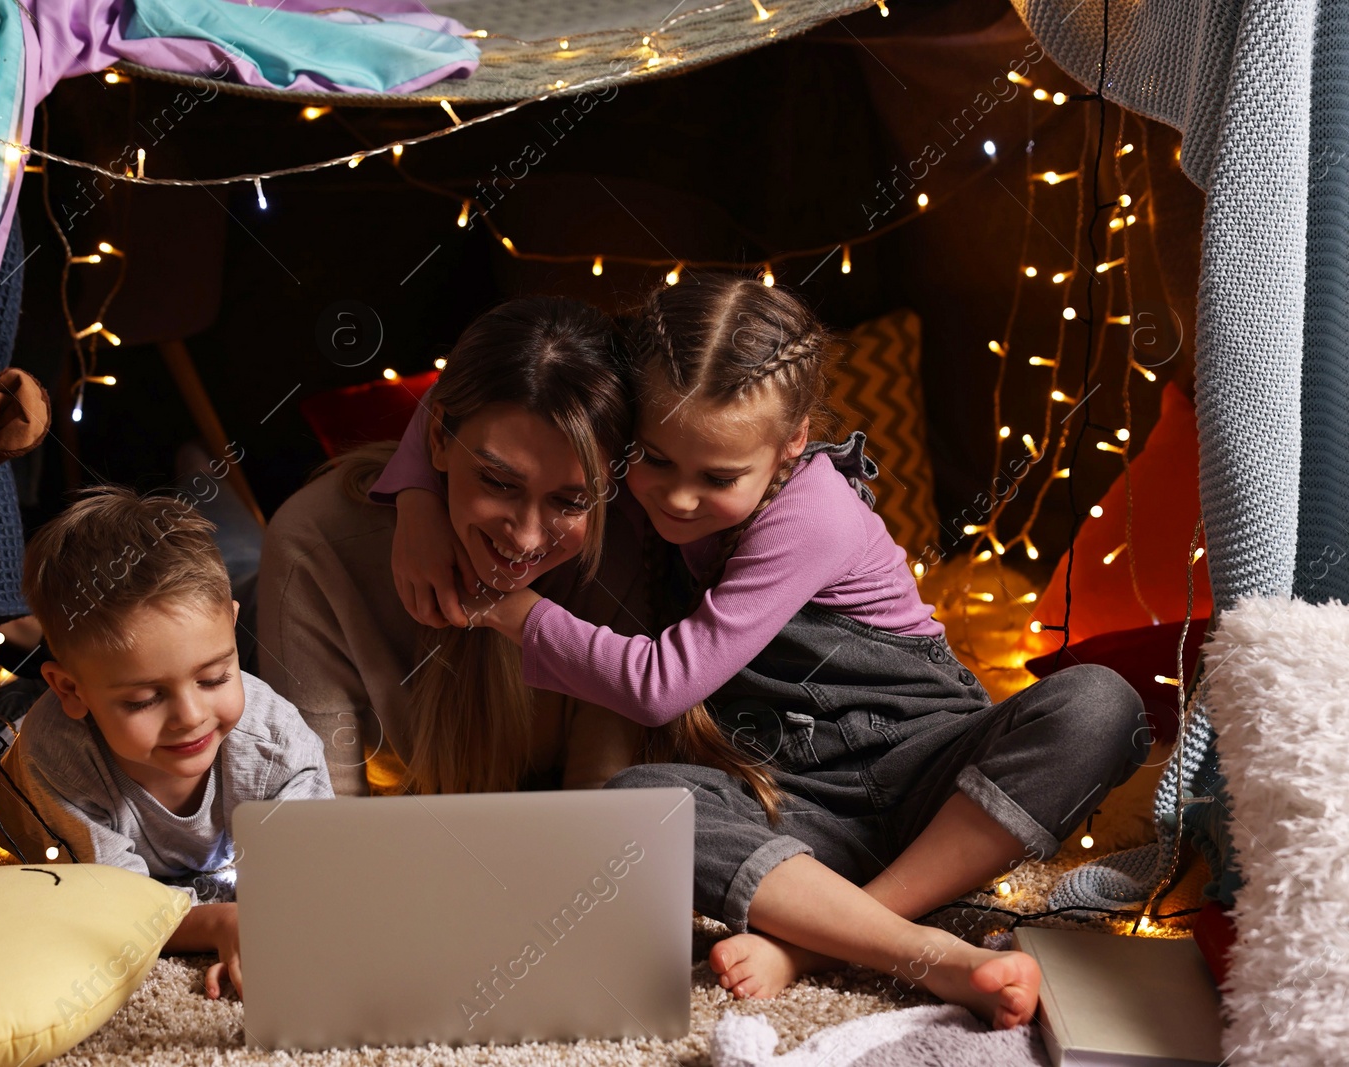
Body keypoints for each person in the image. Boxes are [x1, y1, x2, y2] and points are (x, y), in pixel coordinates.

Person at [383, 273, 1149, 1029]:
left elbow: (661, 686)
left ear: (792, 445)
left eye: (718, 477)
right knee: (638, 802)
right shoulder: (643, 480)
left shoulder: (815, 511)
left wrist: (513, 610)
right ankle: (859, 925)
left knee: (1101, 703)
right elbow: (501, 380)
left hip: (934, 778)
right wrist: (417, 499)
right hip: (797, 809)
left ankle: (856, 943)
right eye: (653, 460)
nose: (678, 498)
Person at [255, 295, 771, 799]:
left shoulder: (628, 534)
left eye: (570, 501)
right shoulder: (315, 543)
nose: (524, 537)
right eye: (498, 482)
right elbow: (317, 825)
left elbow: (604, 809)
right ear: (436, 438)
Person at [0, 486, 333, 1002]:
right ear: (70, 690)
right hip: (8, 762)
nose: (191, 718)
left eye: (214, 678)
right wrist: (217, 925)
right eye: (145, 700)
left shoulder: (276, 745)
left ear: (234, 629)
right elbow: (113, 912)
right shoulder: (56, 759)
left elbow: (314, 881)